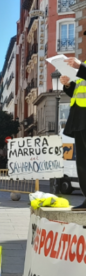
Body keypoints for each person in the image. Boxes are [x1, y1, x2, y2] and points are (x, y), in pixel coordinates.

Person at [61, 56, 86, 210]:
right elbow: (78, 92)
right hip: (79, 117)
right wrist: (68, 85)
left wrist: (80, 68)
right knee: (82, 163)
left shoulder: (82, 65)